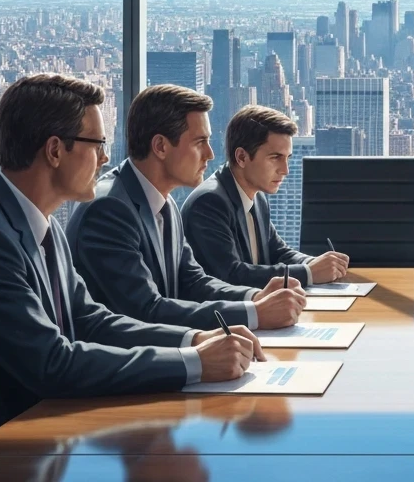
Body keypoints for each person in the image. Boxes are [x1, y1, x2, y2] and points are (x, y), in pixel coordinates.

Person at [0, 75, 256, 478]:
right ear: (55, 150)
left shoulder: (38, 223)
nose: (106, 159)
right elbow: (52, 363)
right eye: (97, 144)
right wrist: (192, 363)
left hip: (36, 439)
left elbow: (90, 320)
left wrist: (193, 339)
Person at [66, 85, 305, 331]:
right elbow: (146, 310)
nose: (210, 154)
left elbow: (193, 282)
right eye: (200, 142)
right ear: (160, 146)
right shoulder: (109, 210)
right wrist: (254, 313)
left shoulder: (165, 203)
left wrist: (255, 298)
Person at [183, 105, 349, 287]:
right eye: (275, 157)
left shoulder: (257, 196)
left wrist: (315, 263)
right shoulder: (209, 203)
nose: (285, 170)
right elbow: (230, 274)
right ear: (242, 157)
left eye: (288, 158)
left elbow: (278, 252)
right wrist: (309, 273)